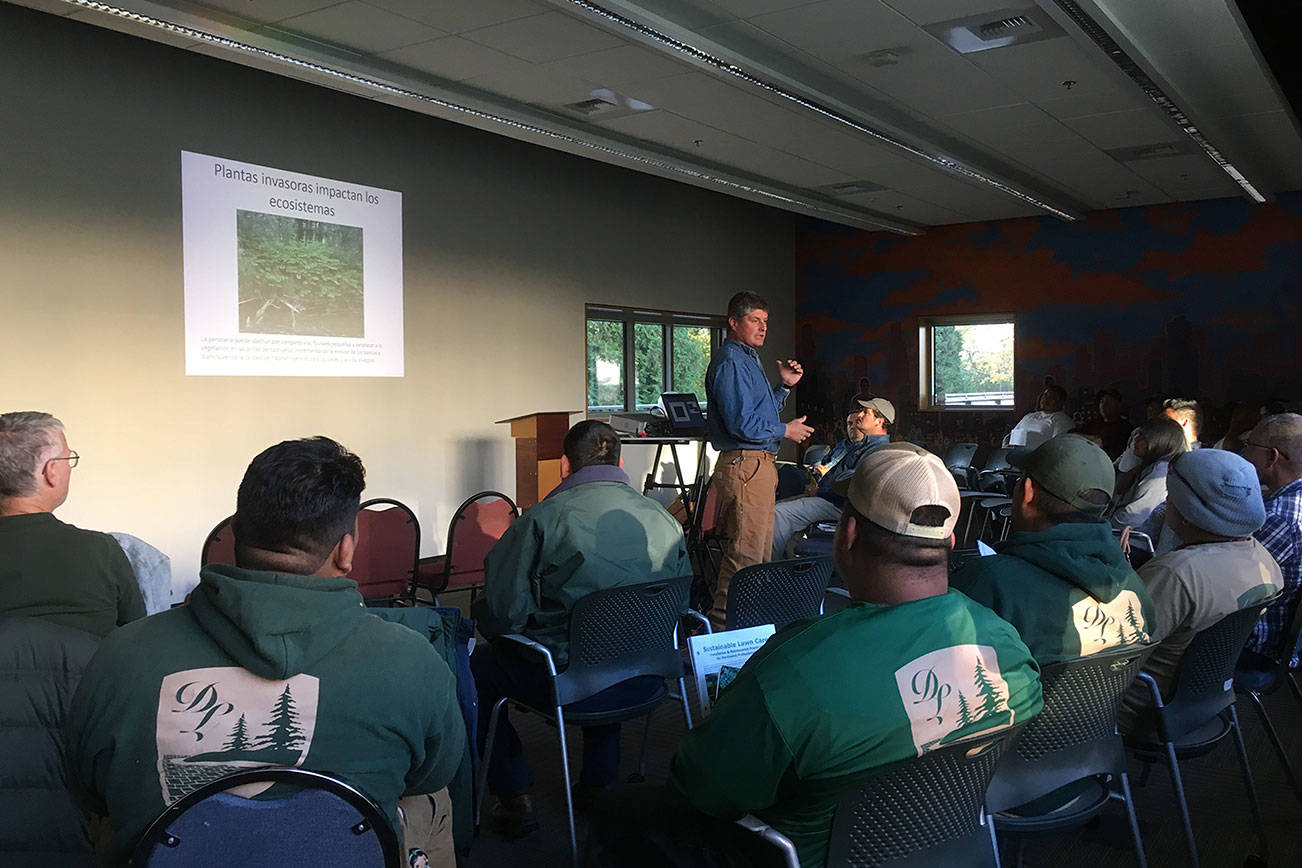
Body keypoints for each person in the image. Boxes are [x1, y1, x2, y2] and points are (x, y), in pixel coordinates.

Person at [632, 444, 1042, 868]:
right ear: (950, 540)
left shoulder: (794, 673)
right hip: (947, 849)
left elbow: (699, 788)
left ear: (847, 535)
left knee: (623, 813)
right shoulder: (1008, 648)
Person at [64, 437, 465, 867]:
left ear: (234, 530)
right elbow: (433, 773)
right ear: (346, 549)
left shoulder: (123, 652)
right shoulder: (412, 659)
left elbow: (87, 787)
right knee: (429, 797)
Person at [471, 420, 691, 837]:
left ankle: (514, 794)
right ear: (621, 462)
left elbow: (503, 615)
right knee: (612, 638)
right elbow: (678, 604)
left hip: (571, 682)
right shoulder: (665, 519)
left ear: (564, 466)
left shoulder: (542, 520)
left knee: (476, 668)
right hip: (649, 677)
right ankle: (599, 784)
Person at [952, 434, 1154, 664]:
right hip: (1110, 701)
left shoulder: (987, 583)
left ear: (1027, 492)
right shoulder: (1135, 586)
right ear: (1100, 510)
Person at [1118, 450, 1280, 732]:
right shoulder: (1265, 561)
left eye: (1171, 495)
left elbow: (1113, 654)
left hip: (1140, 707)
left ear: (1186, 512)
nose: (1167, 501)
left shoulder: (1176, 574)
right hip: (1206, 700)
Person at [704, 291, 813, 626]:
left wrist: (784, 388)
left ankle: (744, 624)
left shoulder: (747, 358)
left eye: (765, 321)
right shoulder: (732, 361)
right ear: (734, 322)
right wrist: (786, 430)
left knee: (759, 551)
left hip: (758, 464)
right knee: (747, 552)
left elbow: (758, 415)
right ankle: (724, 630)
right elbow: (742, 424)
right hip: (745, 464)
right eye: (755, 320)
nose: (763, 327)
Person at [0, 411, 143, 637]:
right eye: (68, 459)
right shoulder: (102, 550)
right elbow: (138, 636)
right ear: (51, 471)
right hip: (93, 672)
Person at [769, 395, 893, 560]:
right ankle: (791, 564)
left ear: (879, 421)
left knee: (780, 513)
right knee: (777, 507)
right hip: (832, 499)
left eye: (866, 412)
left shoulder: (877, 450)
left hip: (842, 505)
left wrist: (820, 492)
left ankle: (769, 570)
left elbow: (849, 486)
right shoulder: (859, 446)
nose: (860, 416)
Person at [1240, 413, 1302, 667]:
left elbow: (1236, 587)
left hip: (1254, 644)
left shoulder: (1277, 518)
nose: (1243, 454)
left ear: (1271, 457)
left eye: (1249, 446)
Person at [1108, 416, 1188, 531]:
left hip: (1135, 540)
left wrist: (1105, 525)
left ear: (1160, 441)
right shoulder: (1146, 466)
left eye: (1143, 437)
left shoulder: (1160, 472)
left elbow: (1133, 515)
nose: (1136, 439)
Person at [1006, 384, 1073, 448]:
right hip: (1012, 451)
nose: (1046, 399)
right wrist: (1006, 443)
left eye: (1052, 397)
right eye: (1045, 395)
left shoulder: (1062, 420)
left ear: (1061, 402)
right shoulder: (1029, 416)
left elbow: (1056, 447)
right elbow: (1011, 435)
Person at [1073, 388, 1130, 459]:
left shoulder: (1124, 427)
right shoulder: (1094, 422)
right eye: (1101, 402)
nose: (1103, 405)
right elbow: (1072, 435)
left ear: (1118, 404)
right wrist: (1093, 438)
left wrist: (1091, 439)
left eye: (1108, 402)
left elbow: (1101, 444)